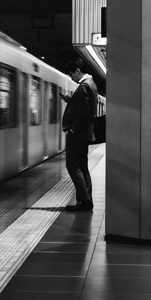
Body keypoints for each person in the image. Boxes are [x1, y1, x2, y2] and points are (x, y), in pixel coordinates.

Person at [60, 58, 97, 211]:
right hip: (85, 134)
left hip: (78, 134)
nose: (71, 78)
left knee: (72, 165)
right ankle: (87, 200)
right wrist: (70, 99)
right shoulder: (91, 85)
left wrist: (73, 130)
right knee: (83, 166)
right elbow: (82, 105)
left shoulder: (83, 86)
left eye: (71, 75)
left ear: (77, 70)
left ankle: (84, 200)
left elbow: (82, 112)